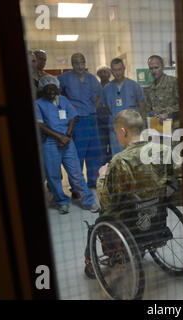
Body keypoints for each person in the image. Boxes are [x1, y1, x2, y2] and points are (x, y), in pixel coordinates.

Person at [35, 75, 99, 214]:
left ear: (57, 88)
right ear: (43, 90)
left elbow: (73, 117)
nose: (51, 92)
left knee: (76, 173)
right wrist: (59, 137)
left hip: (67, 141)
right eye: (48, 90)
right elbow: (40, 125)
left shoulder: (63, 100)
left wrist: (67, 135)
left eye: (53, 89)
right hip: (50, 143)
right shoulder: (38, 104)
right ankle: (61, 202)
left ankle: (88, 201)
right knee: (54, 175)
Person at [96, 109, 175, 218]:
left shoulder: (119, 161)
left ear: (123, 131)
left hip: (130, 220)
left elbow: (108, 203)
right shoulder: (164, 150)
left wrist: (102, 176)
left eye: (116, 132)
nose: (116, 137)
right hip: (158, 216)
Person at [58, 53, 103, 195]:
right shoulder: (64, 78)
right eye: (76, 63)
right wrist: (68, 115)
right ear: (72, 64)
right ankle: (77, 187)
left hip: (91, 118)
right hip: (76, 121)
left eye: (82, 62)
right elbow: (57, 98)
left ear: (85, 63)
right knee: (78, 155)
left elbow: (99, 95)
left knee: (94, 152)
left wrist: (94, 109)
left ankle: (93, 181)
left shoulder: (92, 78)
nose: (80, 66)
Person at [100, 58, 146, 156]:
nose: (118, 73)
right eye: (115, 70)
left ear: (124, 69)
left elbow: (142, 104)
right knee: (118, 156)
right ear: (111, 71)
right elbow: (106, 107)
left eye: (120, 69)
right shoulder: (107, 89)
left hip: (132, 128)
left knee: (134, 155)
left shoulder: (134, 86)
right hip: (116, 130)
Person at [144, 55, 180, 129]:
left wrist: (168, 113)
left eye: (156, 67)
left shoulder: (173, 82)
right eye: (151, 68)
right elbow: (148, 110)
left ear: (162, 67)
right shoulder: (150, 87)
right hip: (157, 128)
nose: (153, 71)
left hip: (173, 127)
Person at [96, 66, 112, 165]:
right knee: (102, 145)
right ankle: (104, 166)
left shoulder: (113, 86)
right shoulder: (96, 87)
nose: (103, 75)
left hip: (111, 121)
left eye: (105, 72)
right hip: (99, 121)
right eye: (101, 73)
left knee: (113, 144)